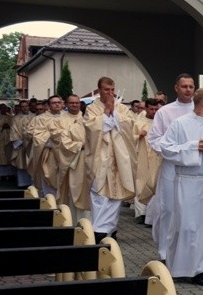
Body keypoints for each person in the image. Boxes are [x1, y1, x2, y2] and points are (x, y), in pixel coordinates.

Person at [159, 88, 203, 286]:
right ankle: (177, 267)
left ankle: (199, 269)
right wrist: (194, 146)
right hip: (186, 181)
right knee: (185, 225)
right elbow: (166, 148)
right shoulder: (180, 124)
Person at [147, 74, 196, 262]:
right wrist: (177, 150)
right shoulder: (165, 112)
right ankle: (165, 253)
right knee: (168, 209)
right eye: (184, 86)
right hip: (171, 167)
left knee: (191, 213)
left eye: (191, 86)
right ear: (176, 88)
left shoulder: (199, 110)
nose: (188, 90)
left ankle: (189, 257)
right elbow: (154, 139)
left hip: (195, 170)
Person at [84, 76, 137, 243]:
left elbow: (130, 125)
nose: (110, 93)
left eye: (113, 89)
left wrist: (115, 113)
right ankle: (99, 229)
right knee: (99, 193)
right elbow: (91, 129)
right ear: (99, 90)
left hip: (118, 157)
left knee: (116, 193)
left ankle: (108, 229)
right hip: (100, 157)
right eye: (106, 90)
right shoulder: (92, 109)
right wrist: (106, 113)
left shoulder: (121, 108)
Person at [50, 94, 90, 223]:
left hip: (89, 160)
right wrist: (79, 145)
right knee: (73, 188)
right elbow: (59, 140)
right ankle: (72, 219)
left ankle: (90, 222)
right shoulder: (59, 120)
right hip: (72, 161)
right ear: (66, 104)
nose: (75, 105)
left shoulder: (88, 118)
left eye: (77, 103)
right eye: (72, 103)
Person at [27, 95, 63, 196]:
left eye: (58, 102)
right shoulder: (40, 119)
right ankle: (49, 201)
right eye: (54, 103)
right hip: (49, 153)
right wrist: (56, 138)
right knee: (48, 177)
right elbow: (38, 136)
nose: (57, 104)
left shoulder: (67, 117)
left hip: (66, 153)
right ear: (48, 106)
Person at [133, 98, 161, 224]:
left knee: (155, 183)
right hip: (142, 157)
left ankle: (152, 215)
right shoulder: (139, 123)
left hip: (156, 158)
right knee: (141, 182)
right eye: (151, 109)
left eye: (156, 109)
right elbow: (129, 138)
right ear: (146, 109)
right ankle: (141, 213)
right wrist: (138, 135)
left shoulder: (161, 122)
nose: (154, 111)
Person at [9, 100, 34, 188]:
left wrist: (29, 140)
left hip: (31, 145)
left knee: (32, 163)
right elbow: (13, 131)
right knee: (21, 163)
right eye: (22, 106)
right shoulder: (16, 118)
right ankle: (23, 183)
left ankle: (33, 184)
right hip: (20, 144)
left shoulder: (34, 117)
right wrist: (19, 141)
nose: (24, 108)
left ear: (29, 107)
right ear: (20, 107)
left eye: (26, 106)